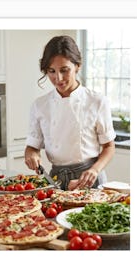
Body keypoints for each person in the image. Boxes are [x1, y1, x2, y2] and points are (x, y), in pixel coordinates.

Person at [24, 35, 116, 190]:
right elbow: (32, 146)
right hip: (55, 179)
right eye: (51, 71)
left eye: (64, 70)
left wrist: (94, 170)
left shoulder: (97, 101)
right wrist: (31, 155)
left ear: (77, 66)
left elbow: (109, 147)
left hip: (88, 179)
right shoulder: (39, 105)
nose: (58, 78)